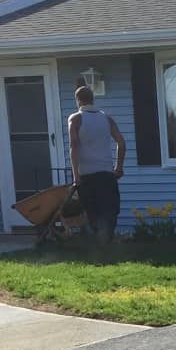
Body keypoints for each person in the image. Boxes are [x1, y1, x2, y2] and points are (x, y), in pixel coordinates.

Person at [67, 84, 125, 240]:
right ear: (92, 100)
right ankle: (108, 243)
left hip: (87, 174)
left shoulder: (76, 118)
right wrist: (118, 167)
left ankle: (101, 245)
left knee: (92, 212)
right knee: (109, 210)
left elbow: (74, 146)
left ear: (78, 101)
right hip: (107, 173)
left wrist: (75, 176)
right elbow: (121, 142)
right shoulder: (107, 119)